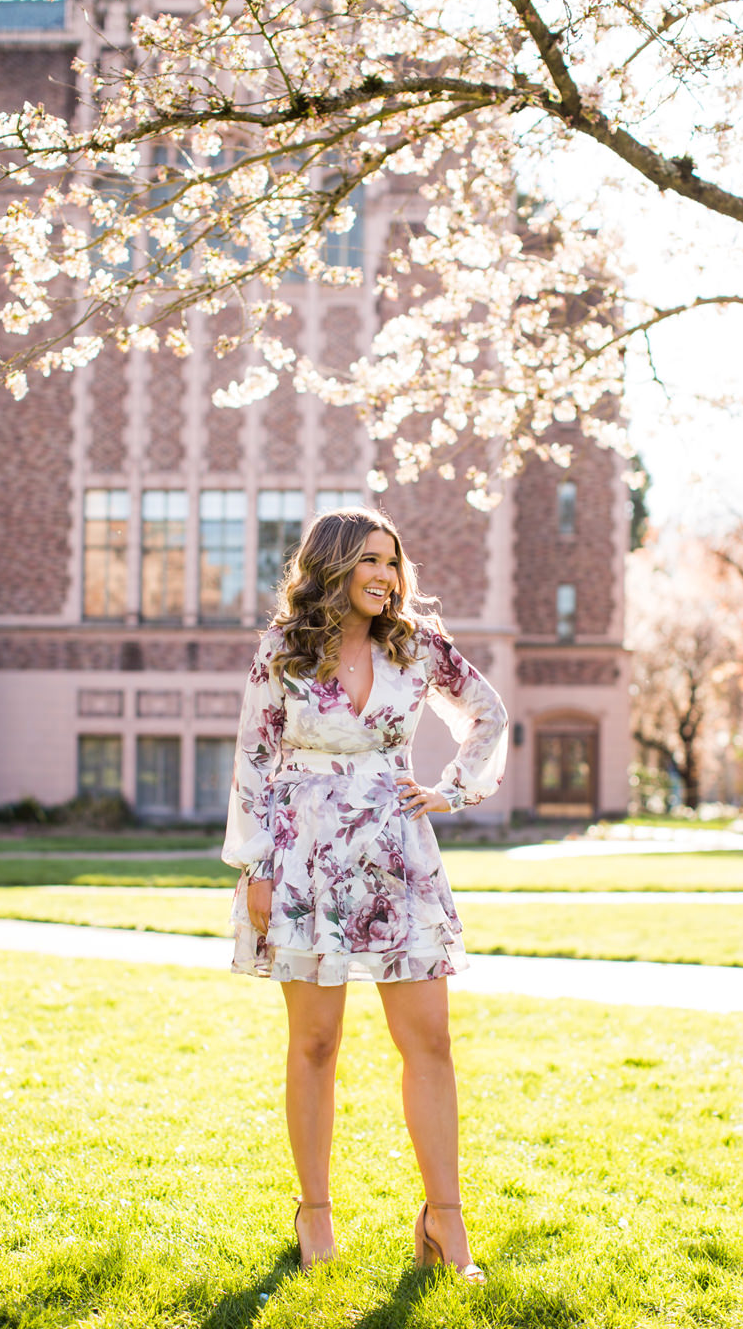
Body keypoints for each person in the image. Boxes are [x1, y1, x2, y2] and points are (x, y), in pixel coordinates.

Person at [223, 505, 508, 1280]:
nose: (387, 576)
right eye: (371, 562)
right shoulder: (283, 651)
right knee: (316, 1044)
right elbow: (253, 758)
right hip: (302, 860)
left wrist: (451, 790)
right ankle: (314, 1214)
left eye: (394, 562)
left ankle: (446, 1222)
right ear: (335, 566)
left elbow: (489, 714)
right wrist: (255, 866)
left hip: (396, 853)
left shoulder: (418, 649)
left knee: (431, 1042)